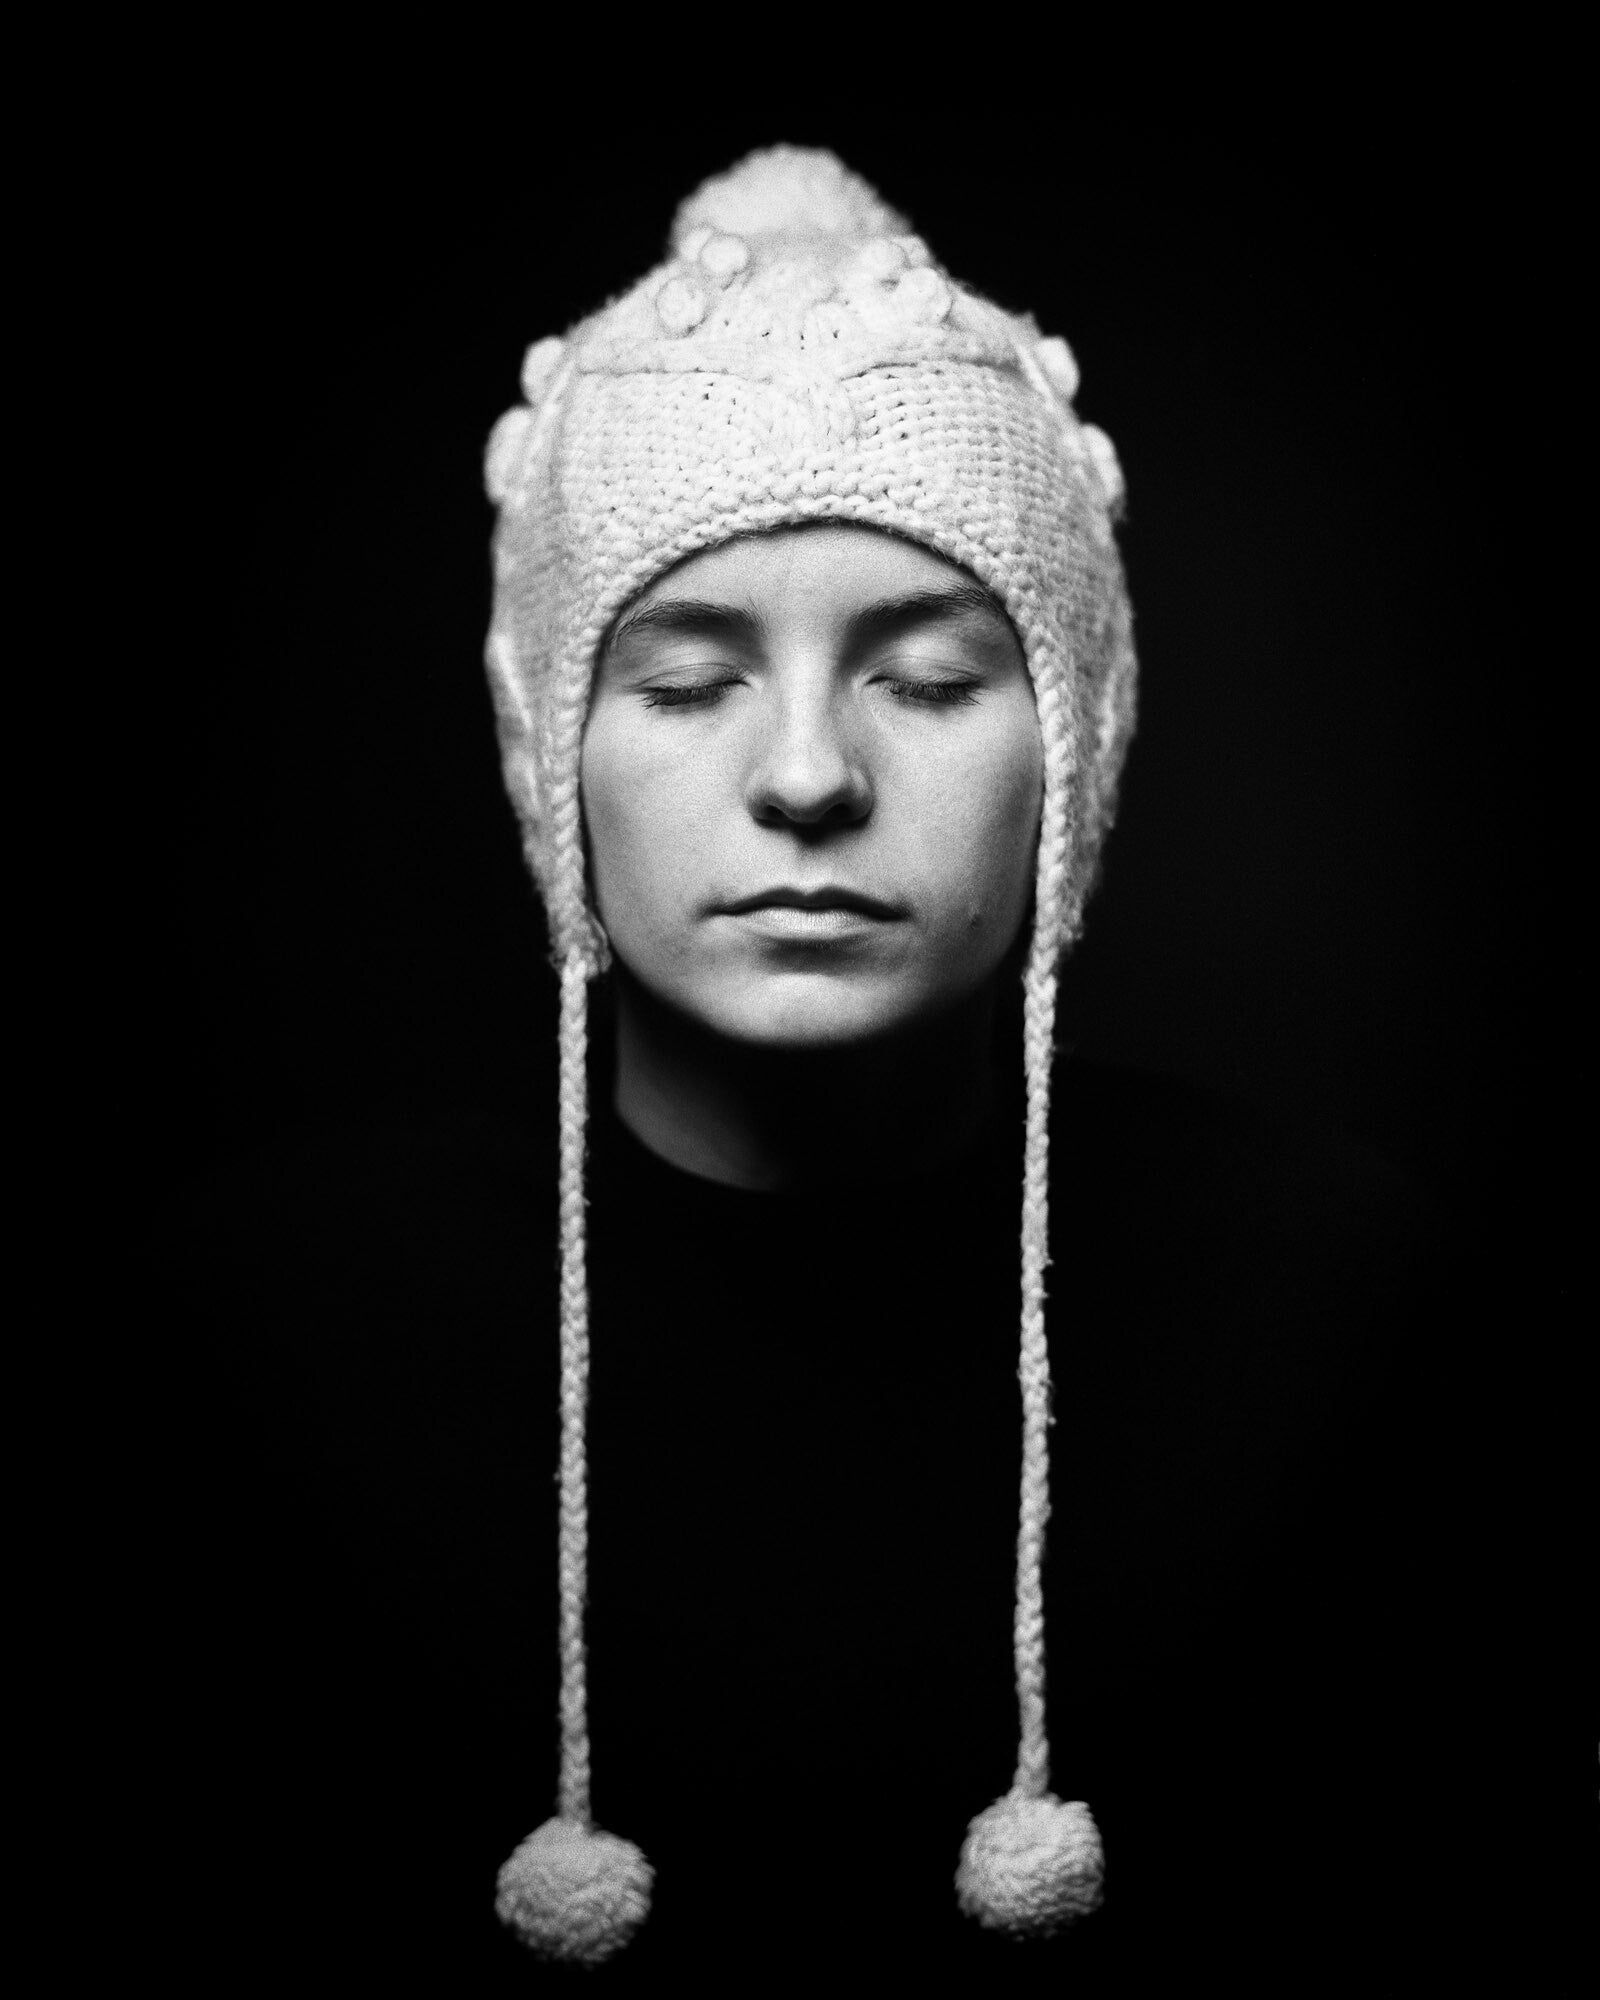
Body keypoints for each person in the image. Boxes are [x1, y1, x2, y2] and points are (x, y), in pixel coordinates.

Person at [148, 148, 1534, 1992]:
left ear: (1076, 744)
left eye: (930, 680)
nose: (807, 776)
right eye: (685, 681)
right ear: (549, 751)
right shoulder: (252, 1338)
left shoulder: (1340, 1311)